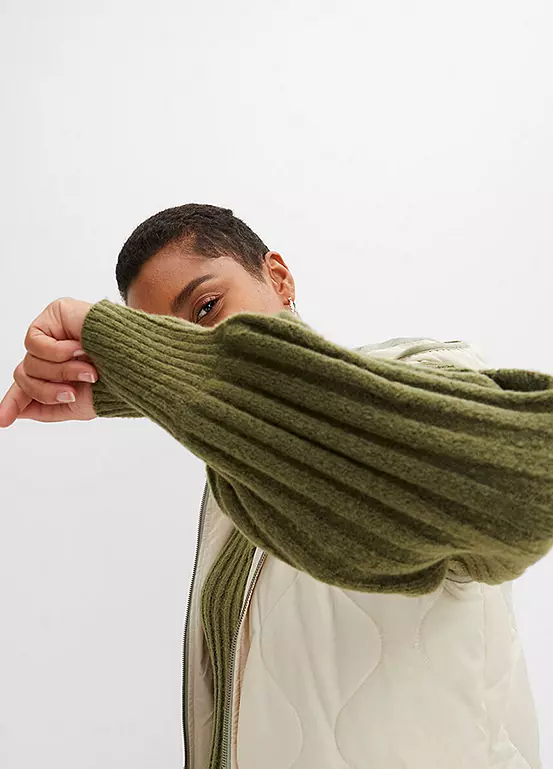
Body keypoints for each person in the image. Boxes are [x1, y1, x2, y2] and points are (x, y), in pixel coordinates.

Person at [1, 203, 552, 769]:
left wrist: (153, 369)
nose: (183, 353)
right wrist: (132, 385)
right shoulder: (236, 487)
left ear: (279, 279)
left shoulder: (431, 372)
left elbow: (529, 484)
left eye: (206, 307)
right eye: (162, 341)